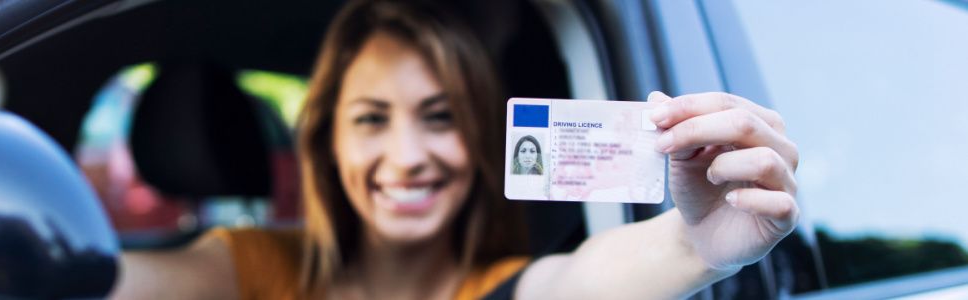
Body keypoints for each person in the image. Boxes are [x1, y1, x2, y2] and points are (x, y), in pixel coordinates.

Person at [112, 0, 799, 298]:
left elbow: (580, 282)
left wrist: (694, 244)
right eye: (372, 119)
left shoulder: (508, 286)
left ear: (477, 143)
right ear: (328, 145)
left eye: (439, 118)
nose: (408, 154)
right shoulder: (250, 268)